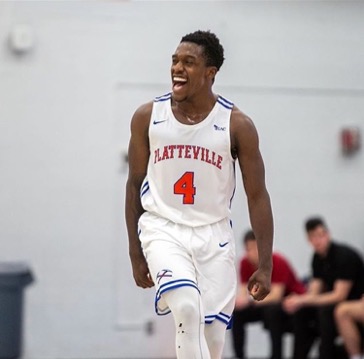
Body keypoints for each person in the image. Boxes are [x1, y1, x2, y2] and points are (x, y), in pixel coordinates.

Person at [125, 30, 274, 359]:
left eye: (188, 62)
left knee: (212, 340)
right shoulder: (148, 117)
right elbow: (134, 184)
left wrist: (265, 264)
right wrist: (135, 252)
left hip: (214, 236)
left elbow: (257, 196)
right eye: (175, 61)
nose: (177, 68)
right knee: (187, 310)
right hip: (163, 229)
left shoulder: (237, 125)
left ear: (211, 73)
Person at [283, 216, 364, 359]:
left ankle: (334, 354)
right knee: (302, 311)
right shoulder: (317, 258)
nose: (319, 240)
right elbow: (314, 292)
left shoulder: (344, 256)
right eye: (314, 237)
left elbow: (340, 295)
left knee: (328, 312)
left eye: (321, 235)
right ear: (309, 240)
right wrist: (300, 300)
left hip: (353, 299)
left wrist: (302, 300)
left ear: (328, 234)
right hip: (339, 300)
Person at [232, 229, 306, 359]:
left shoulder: (277, 261)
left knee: (272, 311)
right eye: (249, 249)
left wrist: (249, 300)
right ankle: (239, 355)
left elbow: (276, 296)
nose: (253, 253)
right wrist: (241, 301)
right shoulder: (244, 263)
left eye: (256, 248)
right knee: (237, 313)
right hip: (261, 302)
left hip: (288, 303)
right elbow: (244, 290)